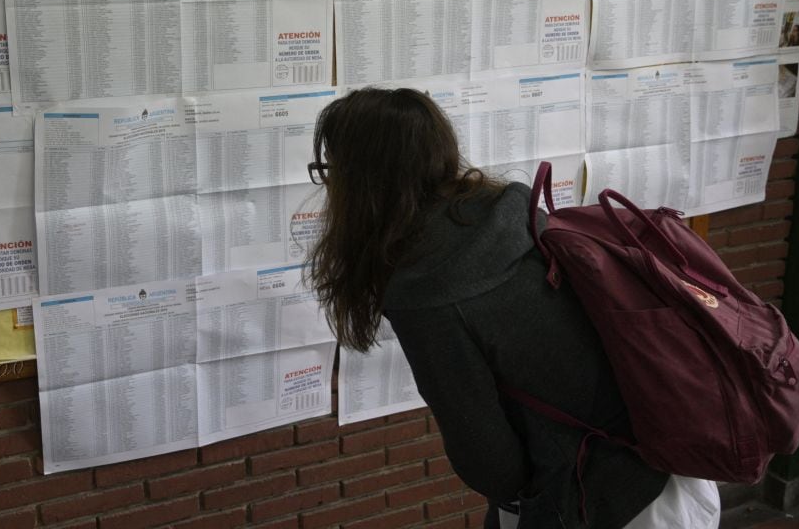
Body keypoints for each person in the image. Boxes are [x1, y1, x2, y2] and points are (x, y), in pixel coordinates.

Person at [305, 87, 718, 528]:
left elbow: (485, 455)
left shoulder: (428, 289)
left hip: (604, 503)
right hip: (675, 470)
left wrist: (519, 496)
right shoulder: (512, 216)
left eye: (331, 170)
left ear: (364, 182)